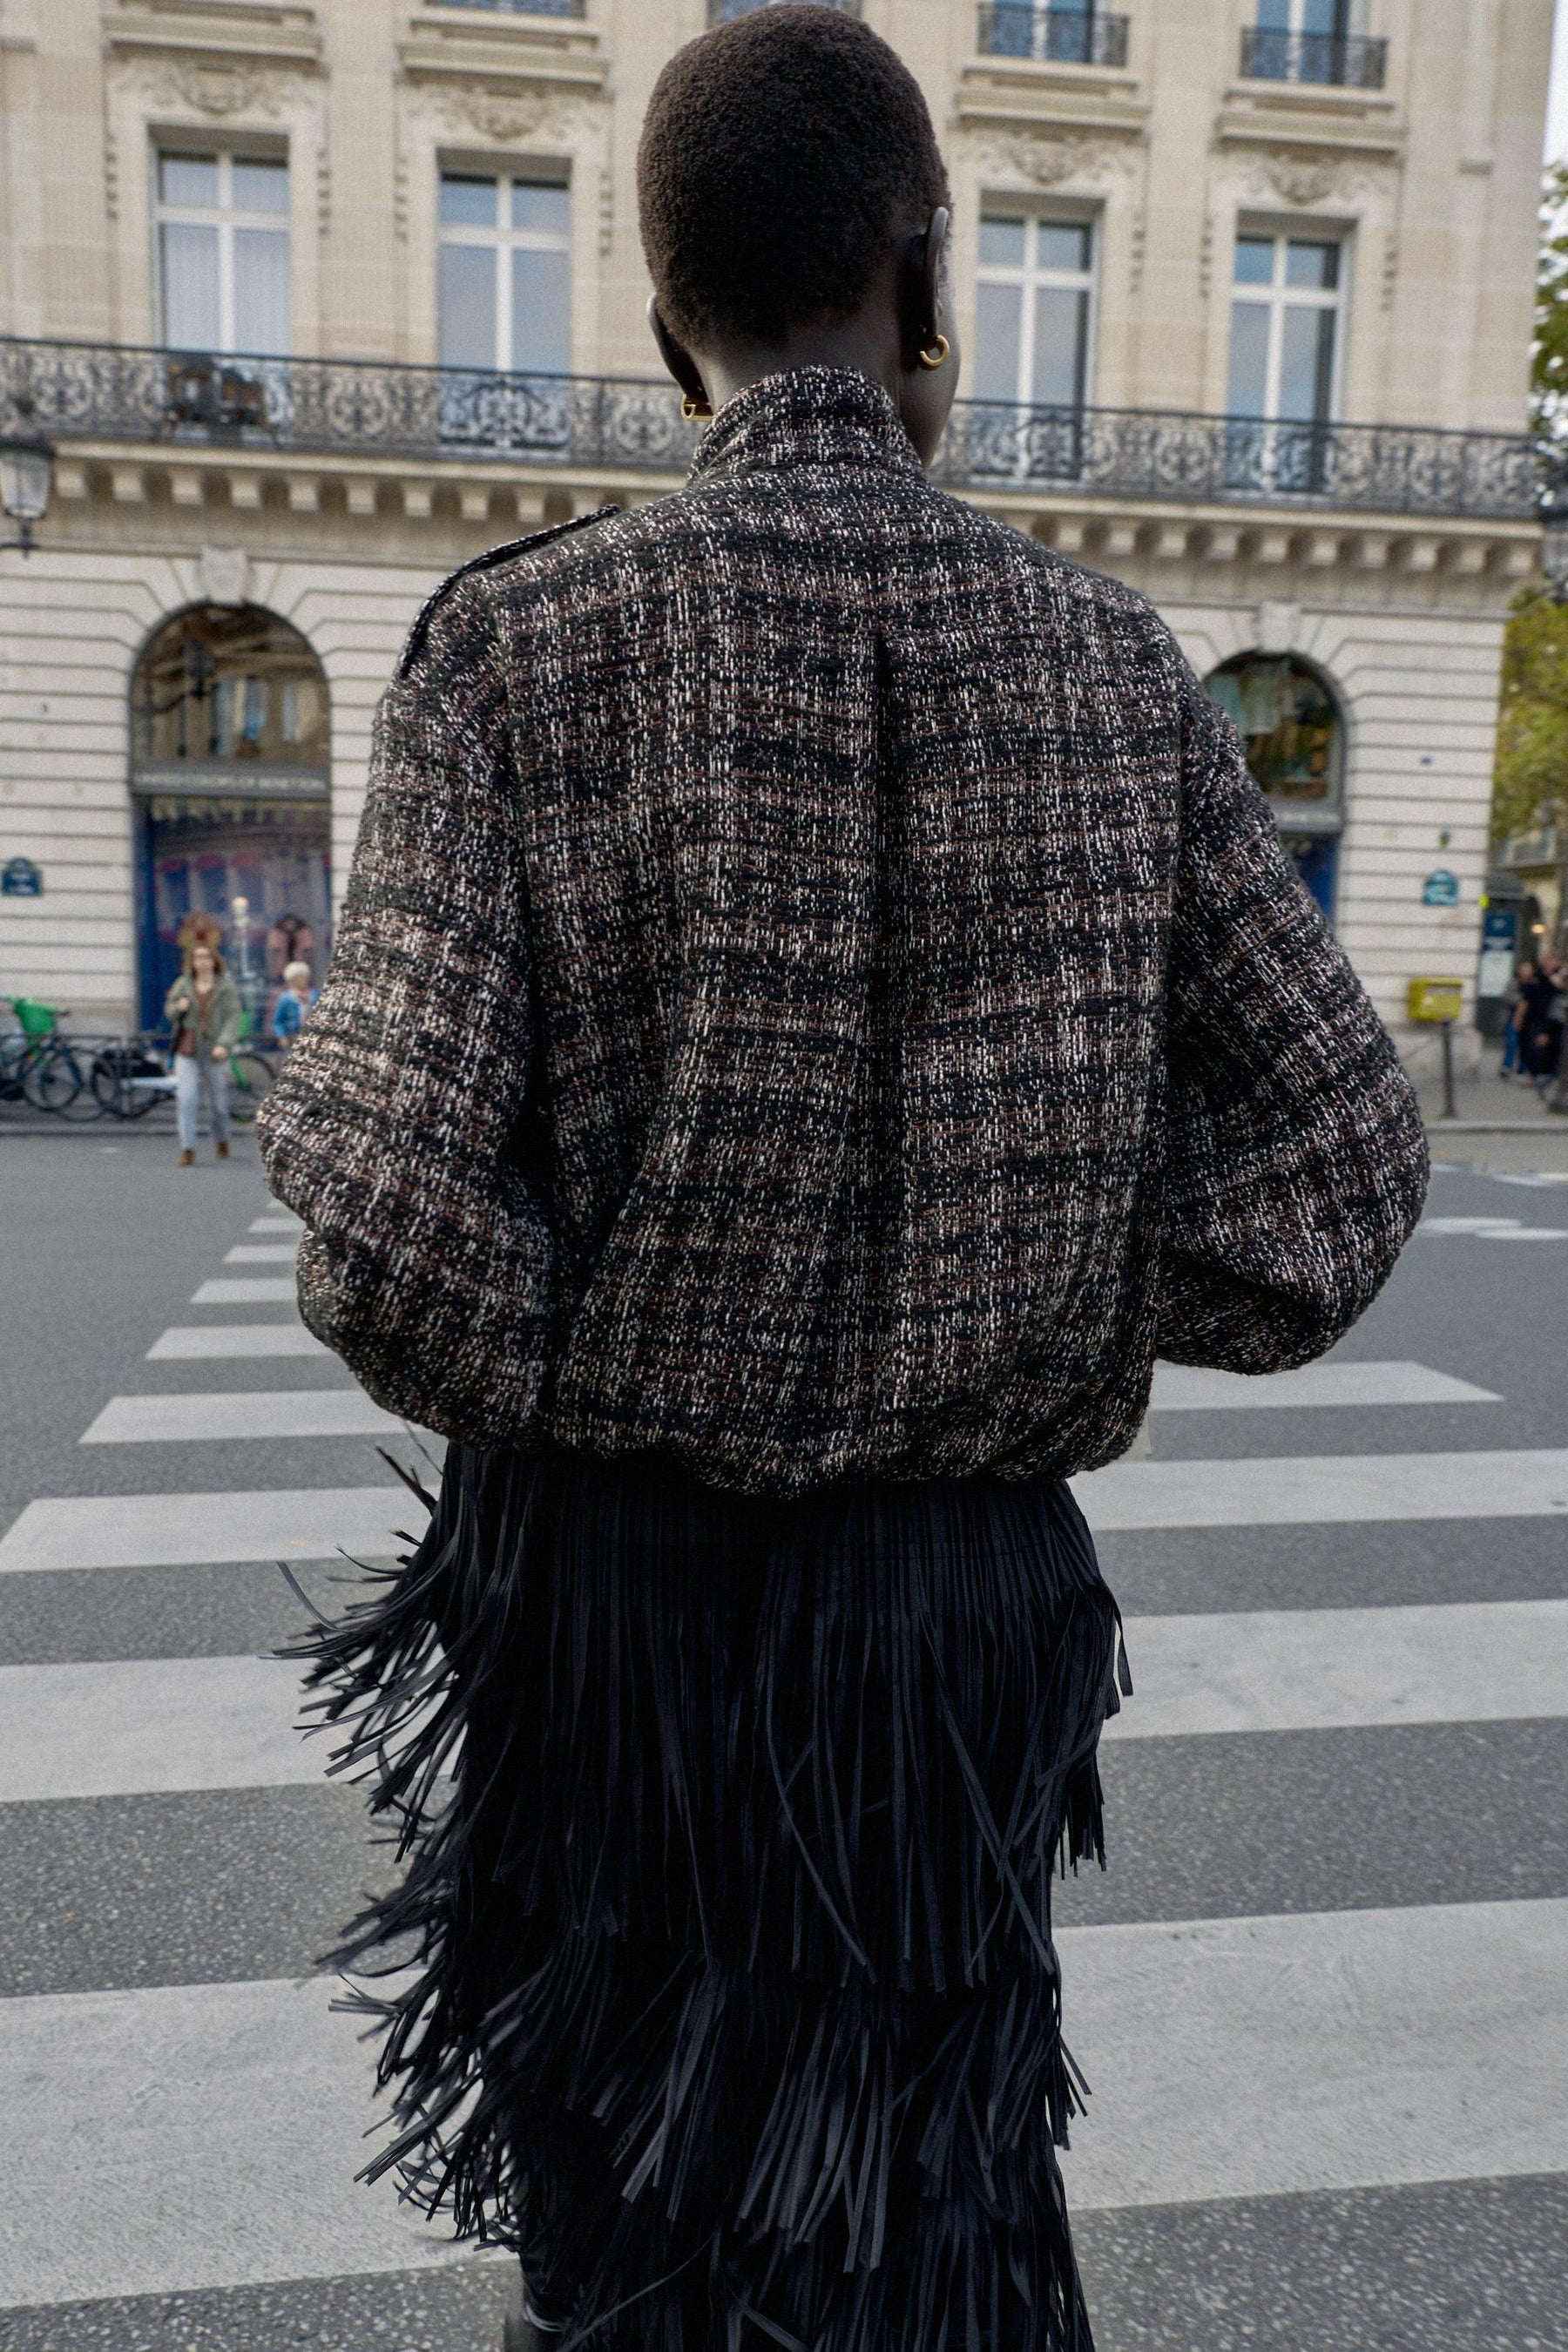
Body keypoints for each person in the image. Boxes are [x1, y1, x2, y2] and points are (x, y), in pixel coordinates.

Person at [257, 14, 1429, 2349]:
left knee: (634, 2220)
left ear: (663, 310)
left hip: (612, 1612)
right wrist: (1068, 1274)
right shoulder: (1116, 666)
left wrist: (596, 1346)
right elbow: (1348, 1153)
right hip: (946, 1621)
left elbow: (384, 1226)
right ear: (928, 273)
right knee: (940, 2189)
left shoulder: (514, 641)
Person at [164, 936, 240, 1166]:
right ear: (192, 962)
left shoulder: (224, 987)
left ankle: (222, 1139)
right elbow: (169, 1010)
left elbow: (232, 1017)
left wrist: (224, 1044)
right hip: (188, 1049)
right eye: (198, 957)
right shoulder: (183, 984)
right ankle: (187, 1148)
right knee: (186, 1099)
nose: (203, 962)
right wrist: (178, 1008)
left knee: (218, 1104)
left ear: (214, 960)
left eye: (206, 957)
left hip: (214, 1049)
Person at [1517, 954, 1563, 1099]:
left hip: (1556, 1020)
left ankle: (1547, 1078)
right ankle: (1536, 1076)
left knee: (1553, 1049)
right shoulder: (1536, 978)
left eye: (1553, 960)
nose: (1550, 963)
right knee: (1532, 1047)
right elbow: (1526, 998)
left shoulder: (1561, 977)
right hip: (1534, 1019)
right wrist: (1519, 1016)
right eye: (1548, 960)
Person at [270, 959, 315, 1049]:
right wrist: (282, 1036)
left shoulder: (314, 995)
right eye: (299, 977)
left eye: (305, 977)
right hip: (294, 1037)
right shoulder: (286, 998)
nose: (303, 980)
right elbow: (278, 1021)